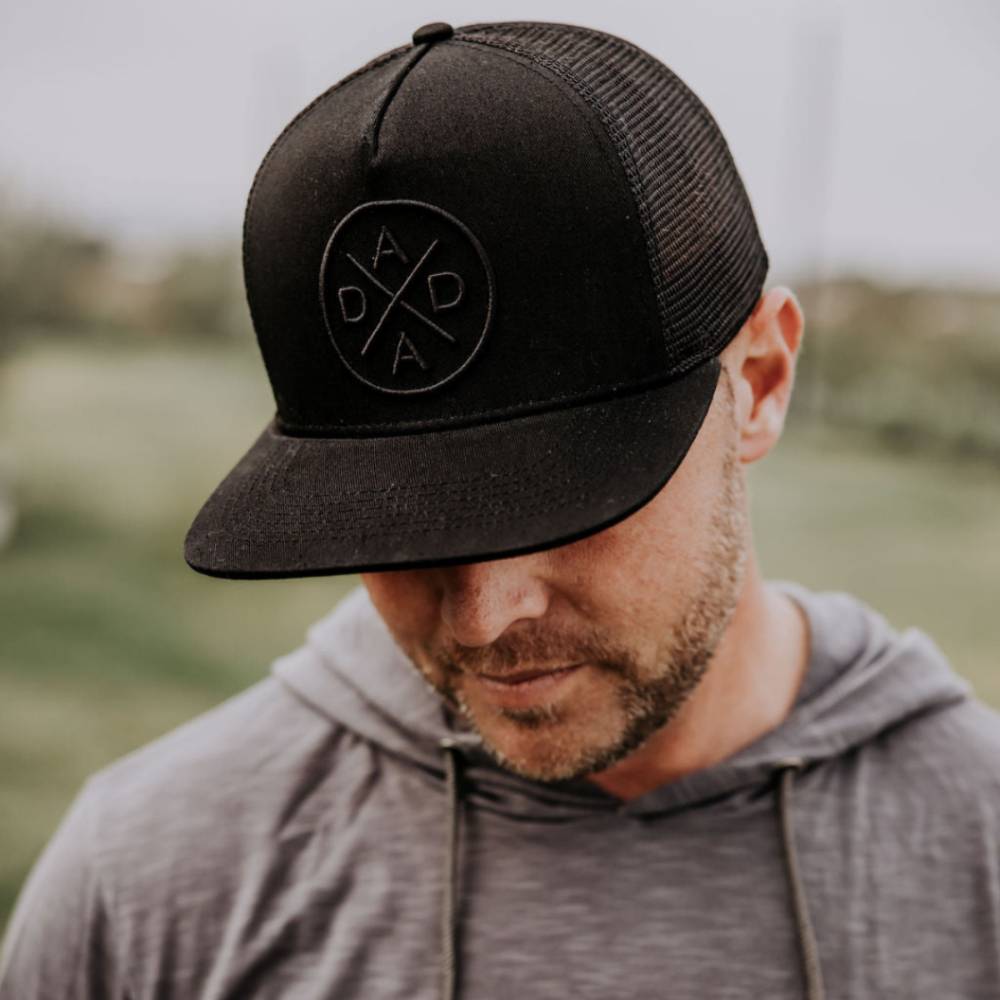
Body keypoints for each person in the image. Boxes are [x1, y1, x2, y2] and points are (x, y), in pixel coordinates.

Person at [2, 20, 999, 1000]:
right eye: (401, 523)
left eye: (565, 505)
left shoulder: (979, 851)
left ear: (765, 379)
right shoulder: (142, 886)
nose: (486, 617)